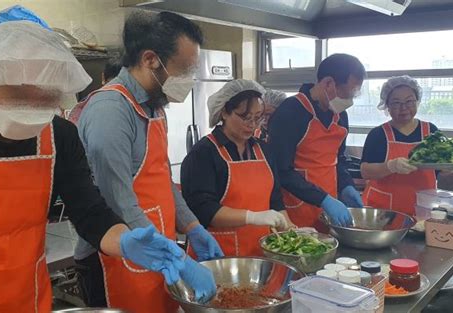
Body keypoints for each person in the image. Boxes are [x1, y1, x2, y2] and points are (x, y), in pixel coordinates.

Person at [0, 20, 213, 313]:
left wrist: (126, 241)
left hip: (28, 297)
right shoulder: (110, 109)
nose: (33, 107)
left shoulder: (60, 135)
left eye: (46, 96)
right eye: (20, 94)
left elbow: (90, 212)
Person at [77, 11, 221, 313]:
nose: (189, 81)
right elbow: (117, 202)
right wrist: (177, 258)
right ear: (150, 59)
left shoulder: (155, 108)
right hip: (117, 257)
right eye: (184, 71)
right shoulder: (111, 110)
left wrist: (192, 226)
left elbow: (162, 180)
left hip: (156, 249)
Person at [181, 79, 292, 257]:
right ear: (225, 112)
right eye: (245, 117)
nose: (252, 125)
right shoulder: (204, 153)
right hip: (219, 254)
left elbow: (275, 199)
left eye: (257, 118)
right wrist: (252, 217)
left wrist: (291, 230)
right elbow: (202, 209)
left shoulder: (263, 150)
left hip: (260, 252)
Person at [268, 53, 366, 228]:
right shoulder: (290, 112)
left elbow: (339, 160)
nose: (349, 101)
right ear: (328, 83)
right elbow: (281, 170)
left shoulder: (340, 115)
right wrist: (323, 199)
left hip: (330, 210)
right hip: (296, 210)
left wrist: (346, 185)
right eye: (346, 94)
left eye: (353, 96)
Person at [361, 76, 438, 215]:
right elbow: (365, 171)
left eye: (409, 101)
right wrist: (390, 166)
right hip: (383, 213)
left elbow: (443, 168)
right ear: (387, 105)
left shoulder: (431, 132)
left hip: (422, 210)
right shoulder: (378, 134)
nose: (403, 108)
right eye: (396, 103)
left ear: (417, 102)